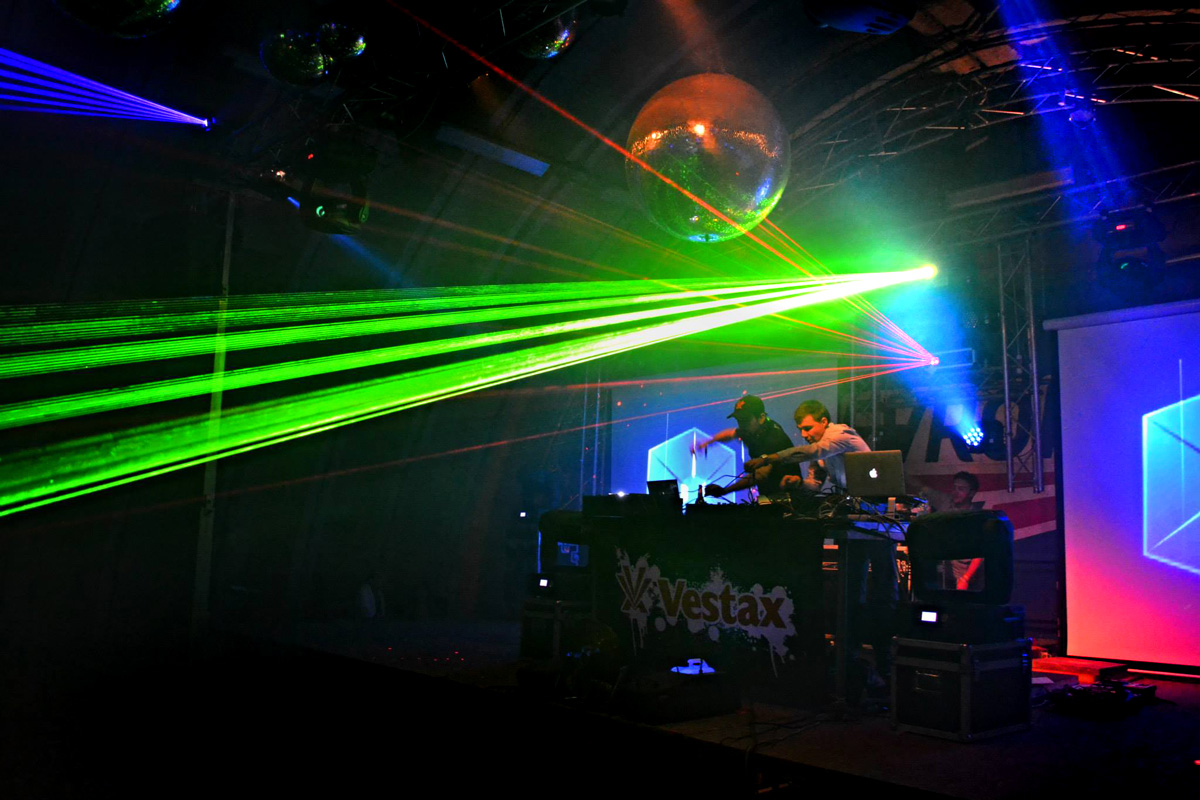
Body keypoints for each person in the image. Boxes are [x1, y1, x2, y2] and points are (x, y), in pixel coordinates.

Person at [746, 400, 897, 697]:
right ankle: (851, 667)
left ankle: (888, 667)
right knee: (851, 596)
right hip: (856, 524)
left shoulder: (842, 435)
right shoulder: (824, 450)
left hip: (878, 521)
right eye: (800, 429)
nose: (804, 434)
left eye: (807, 428)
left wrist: (769, 457)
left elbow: (813, 451)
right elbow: (814, 484)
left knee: (884, 595)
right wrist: (797, 484)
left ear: (824, 421)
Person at [692, 395, 800, 499]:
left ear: (761, 418)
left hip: (788, 496)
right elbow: (730, 433)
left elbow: (760, 475)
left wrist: (725, 490)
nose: (741, 424)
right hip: (770, 495)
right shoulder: (753, 429)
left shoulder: (773, 438)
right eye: (739, 420)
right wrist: (706, 442)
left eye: (745, 419)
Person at [913, 470, 986, 591]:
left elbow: (980, 554)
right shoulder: (946, 505)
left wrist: (966, 578)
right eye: (954, 488)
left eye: (961, 489)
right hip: (945, 575)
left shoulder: (975, 517)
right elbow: (923, 489)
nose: (955, 492)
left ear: (971, 493)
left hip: (967, 578)